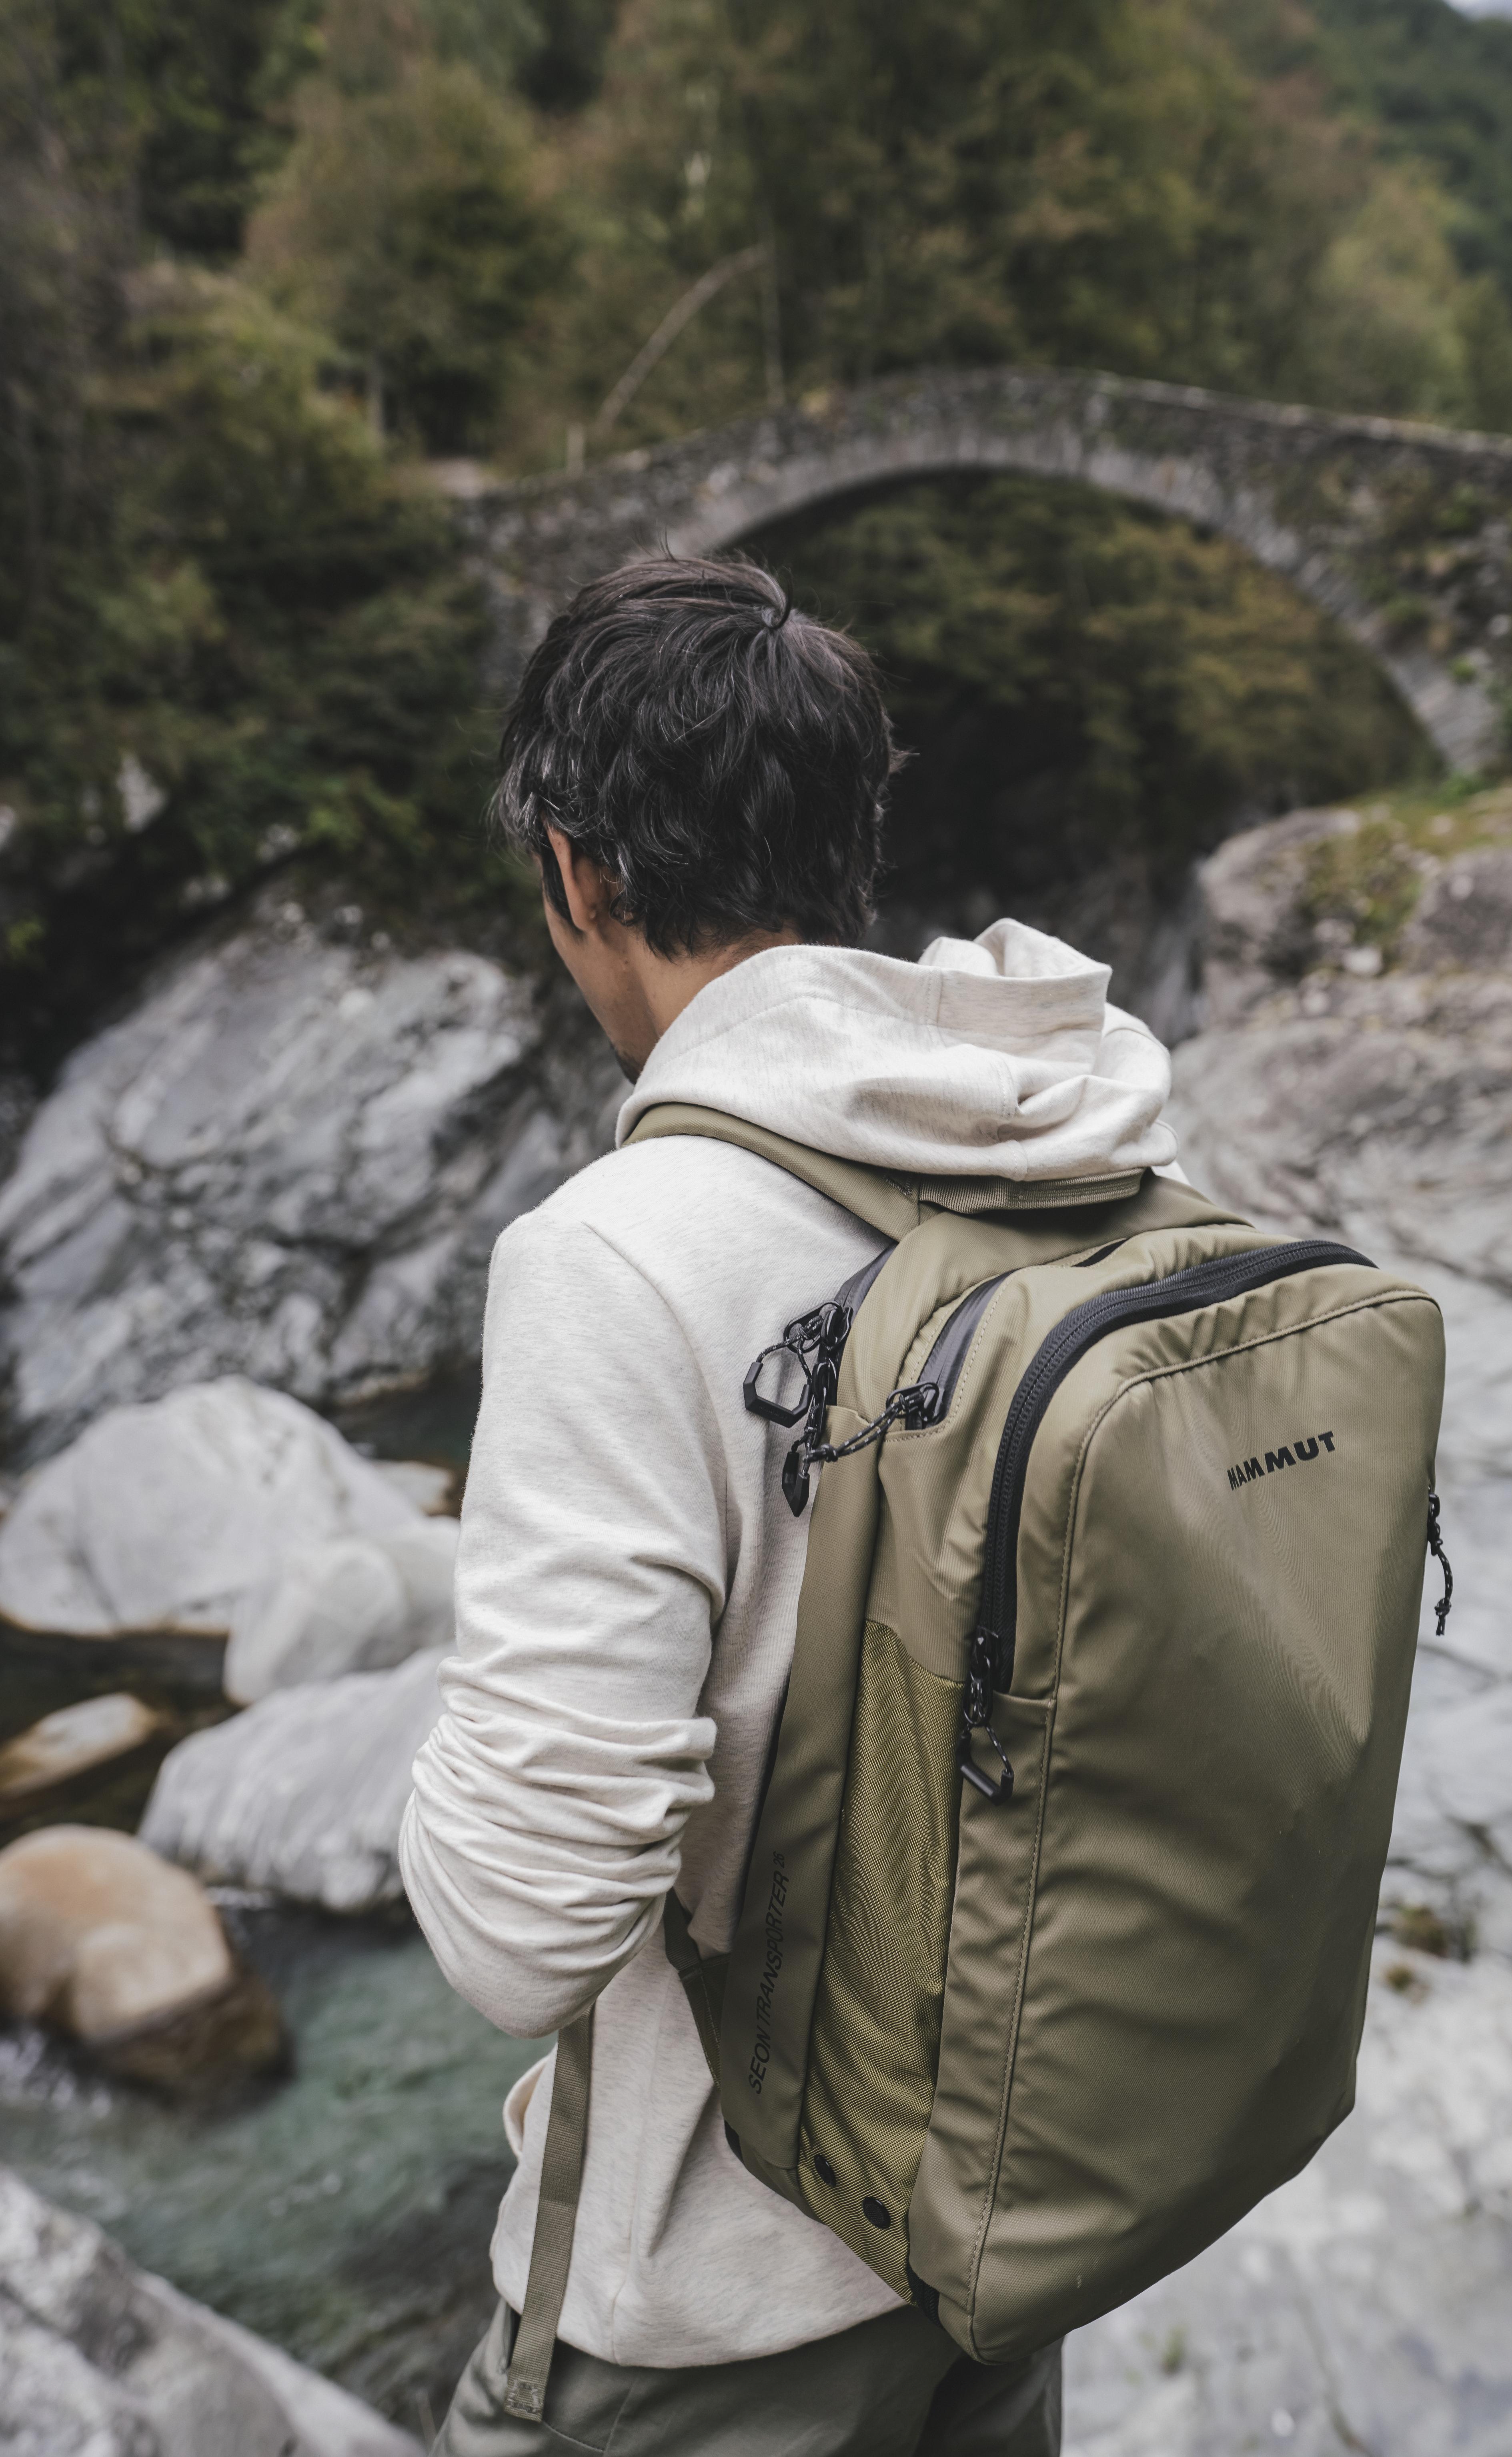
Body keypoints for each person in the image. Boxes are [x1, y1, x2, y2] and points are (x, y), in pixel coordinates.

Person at [401, 555, 1180, 2455]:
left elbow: (520, 1941)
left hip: (716, 2317)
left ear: (581, 873)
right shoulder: (1089, 1156)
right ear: (848, 846)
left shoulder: (622, 1255)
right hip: (1006, 2239)